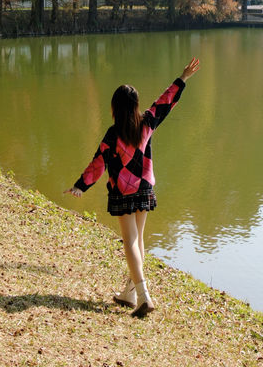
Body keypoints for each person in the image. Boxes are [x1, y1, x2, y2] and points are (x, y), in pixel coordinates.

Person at [64, 57, 200, 318]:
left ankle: (144, 296)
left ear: (115, 107)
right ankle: (130, 293)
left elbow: (97, 165)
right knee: (138, 241)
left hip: (124, 193)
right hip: (145, 190)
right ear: (136, 105)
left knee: (131, 242)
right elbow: (164, 102)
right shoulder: (147, 122)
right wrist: (182, 78)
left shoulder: (113, 134)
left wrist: (80, 187)